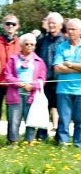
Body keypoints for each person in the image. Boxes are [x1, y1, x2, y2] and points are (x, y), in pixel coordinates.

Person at [3, 33, 46, 144]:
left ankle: (29, 142)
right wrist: (20, 83)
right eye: (27, 44)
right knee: (13, 120)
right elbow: (7, 75)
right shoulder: (13, 59)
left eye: (32, 44)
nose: (29, 46)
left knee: (30, 119)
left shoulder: (39, 61)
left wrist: (32, 86)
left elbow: (42, 78)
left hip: (31, 96)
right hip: (15, 94)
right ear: (21, 45)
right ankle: (13, 142)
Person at [0, 14, 21, 144]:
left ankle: (12, 140)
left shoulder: (20, 44)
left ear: (17, 27)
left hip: (13, 85)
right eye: (8, 23)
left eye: (13, 24)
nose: (10, 26)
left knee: (12, 114)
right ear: (3, 25)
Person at [36, 12, 66, 140]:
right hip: (45, 81)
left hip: (60, 81)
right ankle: (41, 136)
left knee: (61, 110)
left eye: (54, 22)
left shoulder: (65, 41)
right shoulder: (42, 40)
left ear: (60, 25)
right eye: (50, 22)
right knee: (43, 109)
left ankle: (59, 137)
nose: (51, 25)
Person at [53, 18, 81, 147]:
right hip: (63, 90)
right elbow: (57, 68)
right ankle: (63, 143)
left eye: (73, 29)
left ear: (80, 31)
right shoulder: (61, 47)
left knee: (79, 120)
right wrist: (77, 68)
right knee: (64, 119)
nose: (70, 32)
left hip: (79, 90)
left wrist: (69, 64)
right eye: (68, 29)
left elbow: (63, 66)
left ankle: (78, 143)